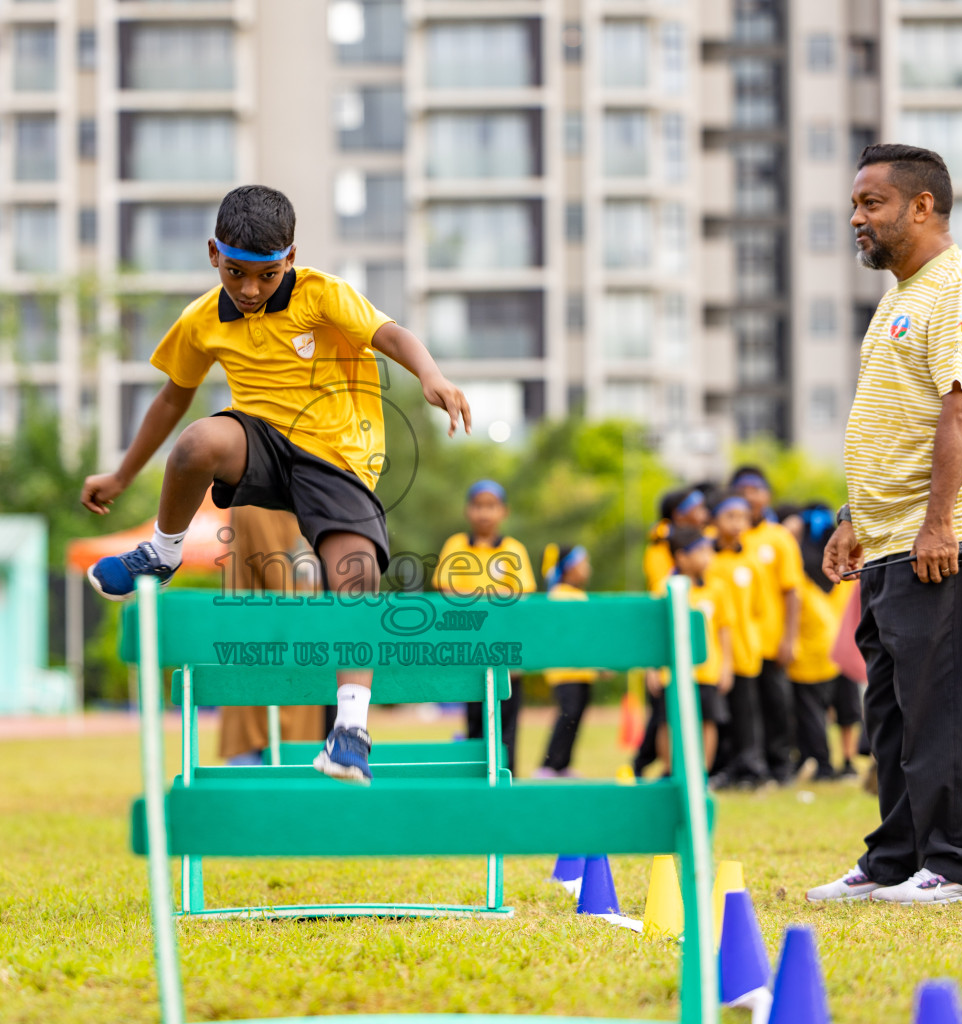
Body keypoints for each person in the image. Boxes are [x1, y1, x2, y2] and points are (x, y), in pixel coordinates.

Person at [78, 185, 472, 786]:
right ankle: (163, 551)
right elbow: (171, 399)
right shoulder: (203, 319)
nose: (251, 290)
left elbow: (389, 334)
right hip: (261, 443)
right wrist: (122, 474)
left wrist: (431, 374)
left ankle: (350, 731)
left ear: (289, 258)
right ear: (214, 254)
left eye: (265, 275)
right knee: (197, 443)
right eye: (236, 273)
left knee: (355, 577)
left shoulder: (322, 294)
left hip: (338, 460)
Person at [810, 144, 962, 905]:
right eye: (856, 204)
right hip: (889, 537)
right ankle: (896, 857)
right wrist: (854, 518)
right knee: (890, 710)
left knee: (942, 706)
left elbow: (958, 411)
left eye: (873, 204)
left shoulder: (953, 289)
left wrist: (938, 525)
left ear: (921, 207)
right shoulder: (904, 294)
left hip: (942, 538)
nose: (856, 218)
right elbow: (894, 422)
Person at [434, 479, 536, 776]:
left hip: (505, 652)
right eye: (478, 506)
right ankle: (476, 781)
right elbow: (447, 592)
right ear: (468, 511)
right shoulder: (456, 545)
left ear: (504, 511)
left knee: (508, 721)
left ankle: (508, 780)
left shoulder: (513, 549)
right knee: (475, 720)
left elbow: (520, 600)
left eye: (491, 506)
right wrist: (492, 598)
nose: (484, 513)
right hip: (470, 651)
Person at [218, 506, 323, 765]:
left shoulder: (304, 508)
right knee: (253, 765)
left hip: (299, 662)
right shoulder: (255, 504)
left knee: (296, 768)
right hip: (264, 654)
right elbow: (280, 583)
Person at [731, 465, 803, 783]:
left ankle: (781, 766)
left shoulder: (779, 538)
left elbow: (792, 592)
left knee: (777, 705)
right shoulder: (727, 537)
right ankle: (748, 767)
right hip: (736, 642)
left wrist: (790, 637)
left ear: (767, 495)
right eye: (741, 491)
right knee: (743, 710)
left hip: (771, 639)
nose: (749, 498)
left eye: (755, 490)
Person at [635, 486, 712, 777]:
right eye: (698, 507)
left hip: (699, 657)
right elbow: (660, 592)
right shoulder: (658, 548)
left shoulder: (700, 541)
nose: (704, 513)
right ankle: (650, 765)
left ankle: (652, 764)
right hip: (666, 636)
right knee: (663, 716)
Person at [782, 505, 861, 781]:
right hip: (840, 647)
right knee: (841, 710)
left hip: (814, 650)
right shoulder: (846, 559)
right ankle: (834, 763)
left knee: (816, 712)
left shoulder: (798, 560)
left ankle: (825, 764)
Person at [650, 527, 733, 773]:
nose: (708, 557)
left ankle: (702, 774)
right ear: (681, 557)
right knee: (667, 722)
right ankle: (670, 770)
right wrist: (653, 668)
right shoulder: (663, 587)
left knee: (708, 721)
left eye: (709, 551)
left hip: (707, 670)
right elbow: (654, 632)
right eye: (701, 552)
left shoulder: (717, 588)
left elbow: (724, 629)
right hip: (671, 671)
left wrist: (726, 665)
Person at [704, 492, 770, 788]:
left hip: (745, 649)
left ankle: (751, 768)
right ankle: (723, 768)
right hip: (712, 654)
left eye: (743, 517)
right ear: (714, 521)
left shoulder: (753, 561)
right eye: (730, 516)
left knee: (747, 713)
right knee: (720, 715)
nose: (737, 523)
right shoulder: (707, 560)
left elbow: (759, 607)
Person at [534, 544, 601, 778]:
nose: (587, 569)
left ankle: (563, 765)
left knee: (577, 716)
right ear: (569, 567)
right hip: (565, 670)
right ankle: (548, 765)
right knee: (568, 714)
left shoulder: (579, 595)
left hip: (584, 671)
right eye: (584, 563)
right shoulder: (558, 596)